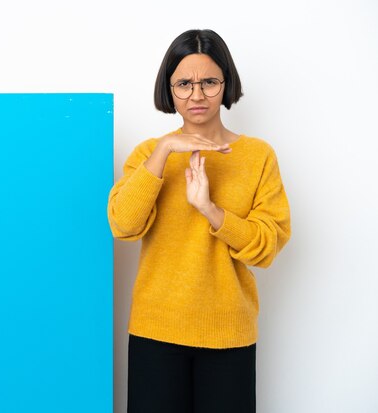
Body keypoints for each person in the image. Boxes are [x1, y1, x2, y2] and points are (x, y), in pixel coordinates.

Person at [107, 29, 291, 413]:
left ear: (226, 85)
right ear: (168, 89)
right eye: (184, 84)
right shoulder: (148, 154)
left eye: (209, 82)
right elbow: (123, 225)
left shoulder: (258, 156)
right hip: (154, 333)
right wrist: (164, 152)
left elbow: (267, 246)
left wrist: (211, 210)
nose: (196, 95)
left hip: (229, 334)